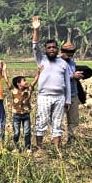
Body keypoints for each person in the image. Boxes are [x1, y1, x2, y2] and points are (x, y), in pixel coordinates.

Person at [31, 17, 72, 149]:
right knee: (41, 122)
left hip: (60, 97)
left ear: (57, 49)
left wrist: (68, 100)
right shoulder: (41, 60)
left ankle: (56, 149)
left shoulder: (63, 64)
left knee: (57, 123)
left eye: (54, 47)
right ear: (46, 49)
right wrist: (36, 30)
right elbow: (35, 46)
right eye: (49, 47)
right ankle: (39, 148)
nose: (52, 49)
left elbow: (67, 83)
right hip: (44, 97)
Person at [58, 41, 92, 142]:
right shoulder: (56, 62)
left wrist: (77, 77)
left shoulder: (72, 62)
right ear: (62, 52)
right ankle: (57, 141)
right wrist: (72, 76)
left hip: (73, 94)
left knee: (73, 121)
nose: (70, 56)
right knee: (58, 120)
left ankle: (71, 140)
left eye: (71, 54)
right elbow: (55, 78)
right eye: (68, 54)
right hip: (60, 95)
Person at [9, 75, 33, 151]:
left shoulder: (28, 89)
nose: (26, 82)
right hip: (16, 115)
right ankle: (16, 147)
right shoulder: (13, 90)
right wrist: (4, 70)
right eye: (24, 80)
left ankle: (28, 148)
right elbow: (7, 81)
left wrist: (38, 74)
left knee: (27, 132)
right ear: (18, 83)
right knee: (16, 132)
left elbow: (33, 83)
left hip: (26, 114)